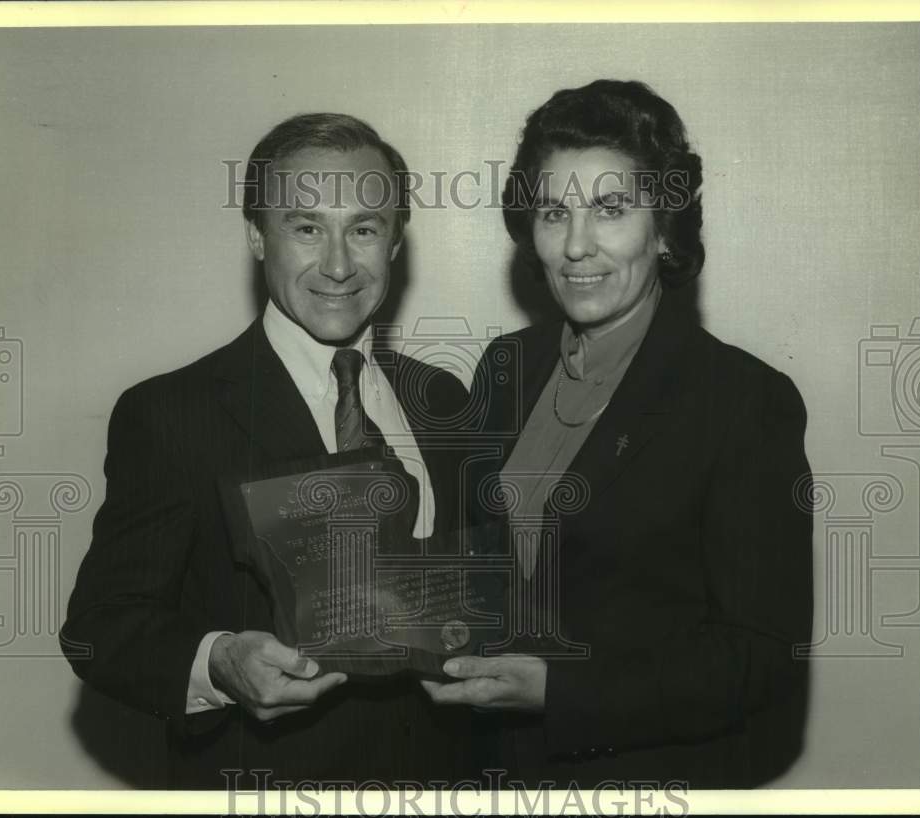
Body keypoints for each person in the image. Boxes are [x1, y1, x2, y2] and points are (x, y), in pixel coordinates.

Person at [60, 113, 478, 788]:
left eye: (364, 229)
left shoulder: (443, 399)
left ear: (396, 243)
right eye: (306, 227)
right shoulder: (172, 414)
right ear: (258, 237)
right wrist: (217, 661)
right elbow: (98, 629)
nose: (339, 264)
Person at [422, 80, 814, 788]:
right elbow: (478, 567)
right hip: (493, 777)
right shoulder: (505, 368)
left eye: (610, 210)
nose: (576, 246)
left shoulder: (742, 401)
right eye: (553, 212)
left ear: (663, 227)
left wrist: (557, 692)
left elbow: (761, 658)